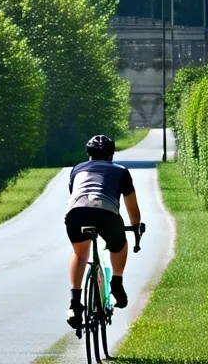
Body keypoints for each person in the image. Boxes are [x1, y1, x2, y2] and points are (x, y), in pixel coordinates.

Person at [64, 134, 141, 329]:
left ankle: (74, 303)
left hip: (76, 213)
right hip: (106, 213)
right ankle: (116, 282)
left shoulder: (77, 169)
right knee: (119, 244)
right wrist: (136, 225)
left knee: (80, 254)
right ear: (111, 155)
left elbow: (75, 194)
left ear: (88, 154)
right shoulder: (121, 171)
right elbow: (132, 208)